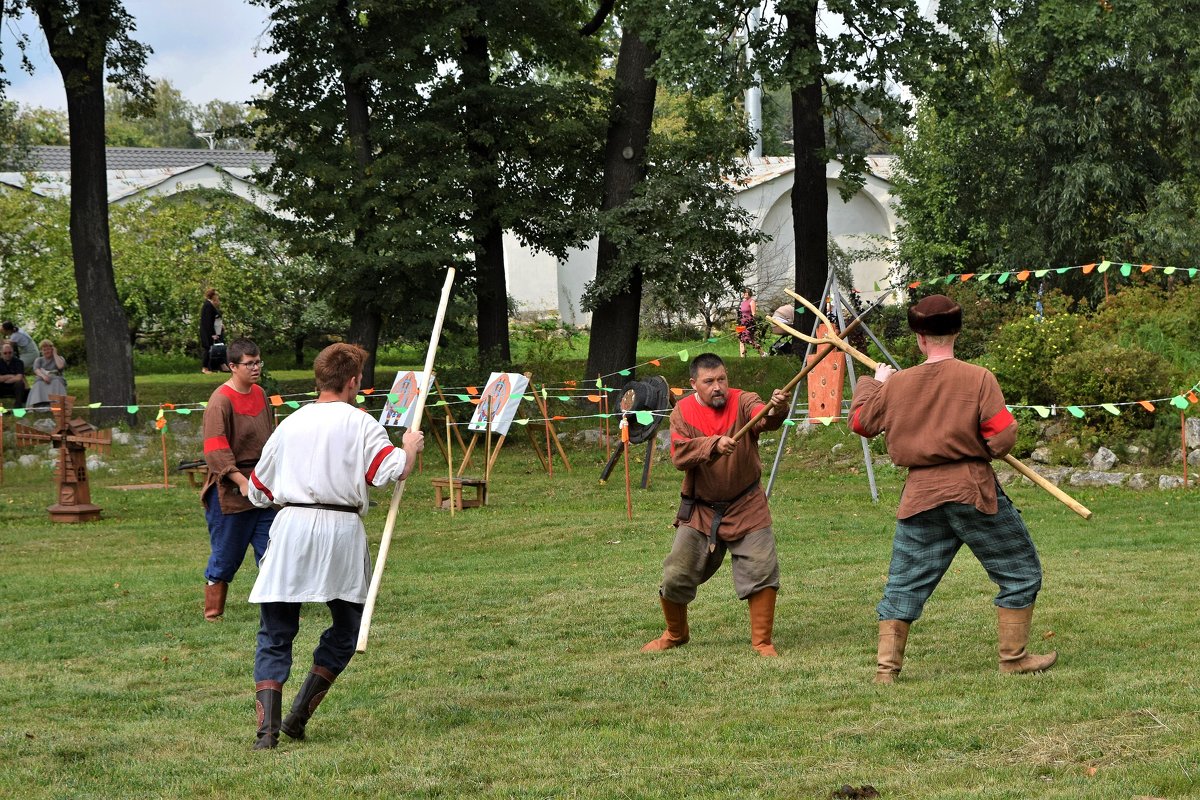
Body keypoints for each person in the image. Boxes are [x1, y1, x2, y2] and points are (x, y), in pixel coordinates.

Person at [848, 294, 1057, 684]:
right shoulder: (978, 378)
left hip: (920, 496)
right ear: (957, 332)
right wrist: (980, 449)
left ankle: (885, 670)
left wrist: (875, 384)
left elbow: (861, 422)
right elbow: (1004, 435)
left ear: (919, 338)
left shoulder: (897, 384)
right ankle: (1013, 658)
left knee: (905, 580)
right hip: (971, 490)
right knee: (1019, 571)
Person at [243, 343, 423, 750]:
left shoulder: (290, 424)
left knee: (276, 631)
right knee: (347, 626)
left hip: (292, 529)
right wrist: (409, 448)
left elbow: (259, 490)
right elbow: (389, 472)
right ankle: (294, 716)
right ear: (354, 381)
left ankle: (274, 730)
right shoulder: (361, 423)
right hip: (339, 531)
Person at [642, 353, 789, 657]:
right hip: (700, 509)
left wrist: (777, 407)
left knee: (762, 568)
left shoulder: (743, 400)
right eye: (709, 382)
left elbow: (764, 417)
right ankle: (675, 633)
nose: (718, 386)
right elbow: (680, 455)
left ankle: (762, 642)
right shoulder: (682, 412)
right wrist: (714, 444)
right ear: (694, 384)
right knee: (675, 575)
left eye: (722, 378)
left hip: (747, 503)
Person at [201, 339, 277, 621]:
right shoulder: (220, 400)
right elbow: (214, 448)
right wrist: (240, 481)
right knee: (226, 554)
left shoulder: (260, 394)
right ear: (232, 366)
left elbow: (270, 439)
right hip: (230, 489)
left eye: (258, 362)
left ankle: (277, 607)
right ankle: (213, 611)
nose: (256, 367)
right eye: (250, 363)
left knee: (271, 549)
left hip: (261, 483)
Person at [26, 340, 68, 408]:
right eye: (44, 350)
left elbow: (60, 366)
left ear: (52, 349)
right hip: (43, 377)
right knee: (38, 383)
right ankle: (38, 403)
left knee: (56, 381)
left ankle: (58, 403)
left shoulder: (59, 358)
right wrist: (44, 376)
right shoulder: (39, 360)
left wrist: (55, 354)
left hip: (56, 377)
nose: (46, 351)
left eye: (48, 349)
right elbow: (36, 370)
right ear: (41, 351)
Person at [199, 288, 226, 374]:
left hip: (213, 331)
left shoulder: (211, 305)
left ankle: (218, 366)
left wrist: (220, 325)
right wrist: (212, 334)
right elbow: (207, 322)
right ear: (213, 296)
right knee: (208, 349)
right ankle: (205, 368)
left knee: (216, 348)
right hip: (208, 332)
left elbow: (215, 319)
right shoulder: (208, 305)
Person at [736, 289, 766, 358]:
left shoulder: (752, 302)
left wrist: (755, 322)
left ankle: (763, 353)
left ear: (749, 293)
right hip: (741, 322)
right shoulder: (742, 303)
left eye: (747, 292)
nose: (745, 294)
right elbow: (741, 313)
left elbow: (753, 314)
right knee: (741, 339)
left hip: (749, 323)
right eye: (744, 292)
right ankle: (742, 357)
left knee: (750, 340)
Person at [0, 342, 28, 407]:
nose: (8, 354)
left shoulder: (19, 362)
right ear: (1, 353)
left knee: (20, 383)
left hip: (14, 387)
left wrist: (4, 379)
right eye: (5, 353)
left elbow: (19, 377)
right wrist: (10, 376)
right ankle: (1, 409)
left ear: (13, 353)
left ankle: (18, 408)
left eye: (10, 352)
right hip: (1, 387)